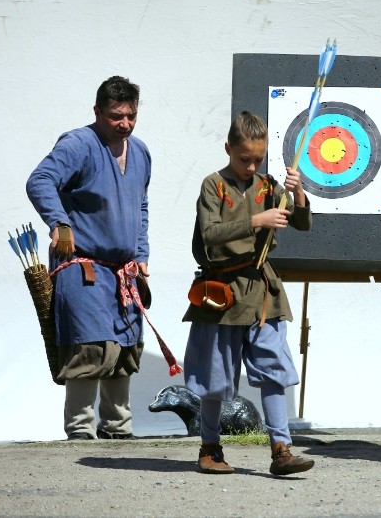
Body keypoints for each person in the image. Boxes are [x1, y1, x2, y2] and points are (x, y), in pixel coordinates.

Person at [182, 111, 314, 476]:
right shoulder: (213, 185)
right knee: (215, 377)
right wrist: (258, 220)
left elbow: (302, 224)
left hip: (262, 293)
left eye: (258, 158)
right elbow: (210, 233)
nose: (251, 165)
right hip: (221, 293)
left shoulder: (269, 186)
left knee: (273, 369)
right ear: (228, 148)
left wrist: (297, 193)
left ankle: (281, 449)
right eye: (244, 159)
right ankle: (210, 449)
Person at [26, 76, 151, 440]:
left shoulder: (140, 151)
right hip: (83, 268)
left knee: (125, 348)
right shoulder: (78, 144)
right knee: (90, 347)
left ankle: (118, 430)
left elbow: (141, 206)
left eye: (131, 115)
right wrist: (59, 222)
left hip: (123, 273)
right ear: (97, 111)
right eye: (116, 116)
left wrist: (141, 253)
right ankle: (80, 431)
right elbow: (40, 180)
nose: (124, 124)